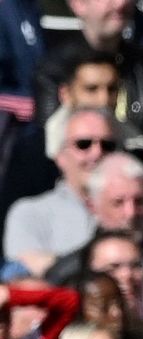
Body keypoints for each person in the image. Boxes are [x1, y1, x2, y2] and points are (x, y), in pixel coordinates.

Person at [3, 108, 117, 276]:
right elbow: (25, 274)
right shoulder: (30, 213)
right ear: (61, 156)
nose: (97, 153)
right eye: (83, 144)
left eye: (108, 145)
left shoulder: (138, 208)